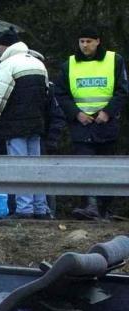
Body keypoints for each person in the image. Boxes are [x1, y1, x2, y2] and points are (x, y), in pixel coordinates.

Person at [53, 27, 129, 219]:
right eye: (82, 41)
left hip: (105, 123)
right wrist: (76, 114)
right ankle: (90, 206)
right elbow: (61, 94)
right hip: (82, 123)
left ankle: (105, 209)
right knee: (85, 165)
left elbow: (122, 90)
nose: (85, 45)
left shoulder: (114, 60)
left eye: (88, 41)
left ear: (98, 41)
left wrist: (108, 112)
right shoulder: (69, 64)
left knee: (107, 167)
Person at [0, 29, 50, 219]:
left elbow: (0, 97)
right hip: (36, 122)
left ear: (4, 46)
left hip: (14, 124)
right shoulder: (37, 62)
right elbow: (47, 95)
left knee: (19, 166)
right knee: (37, 166)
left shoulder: (8, 64)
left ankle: (24, 209)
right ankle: (41, 207)